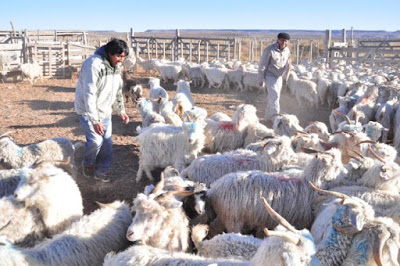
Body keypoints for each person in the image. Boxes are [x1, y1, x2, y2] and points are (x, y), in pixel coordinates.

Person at [74, 38, 130, 183]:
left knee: (107, 143)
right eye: (118, 56)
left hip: (104, 110)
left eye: (123, 57)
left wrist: (121, 110)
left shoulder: (116, 66)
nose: (121, 60)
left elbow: (118, 90)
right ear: (109, 53)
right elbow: (89, 94)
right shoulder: (94, 65)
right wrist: (95, 120)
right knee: (95, 141)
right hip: (88, 110)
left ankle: (102, 171)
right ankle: (88, 165)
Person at [258, 32, 292, 126]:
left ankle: (267, 117)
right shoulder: (269, 50)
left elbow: (288, 60)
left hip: (279, 77)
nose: (283, 43)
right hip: (270, 75)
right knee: (275, 96)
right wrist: (261, 79)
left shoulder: (287, 50)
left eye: (285, 41)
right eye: (281, 40)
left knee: (273, 97)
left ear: (288, 42)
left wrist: (289, 66)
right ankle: (275, 118)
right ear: (278, 39)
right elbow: (262, 64)